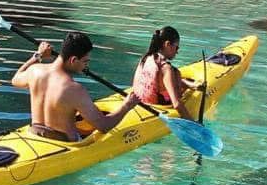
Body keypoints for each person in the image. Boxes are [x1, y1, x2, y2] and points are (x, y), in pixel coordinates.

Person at [12, 31, 141, 142]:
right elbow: (104, 125)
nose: (86, 66)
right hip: (64, 143)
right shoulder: (74, 89)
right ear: (73, 60)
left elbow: (15, 79)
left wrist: (37, 56)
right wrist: (127, 106)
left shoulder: (35, 71)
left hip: (35, 133)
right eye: (85, 61)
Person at [131, 26, 201, 121]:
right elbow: (176, 104)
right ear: (167, 44)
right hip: (156, 107)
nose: (177, 52)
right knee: (176, 73)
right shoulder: (166, 68)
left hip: (139, 103)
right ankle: (186, 83)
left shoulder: (145, 58)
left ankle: (188, 83)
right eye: (176, 47)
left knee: (175, 75)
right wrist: (195, 125)